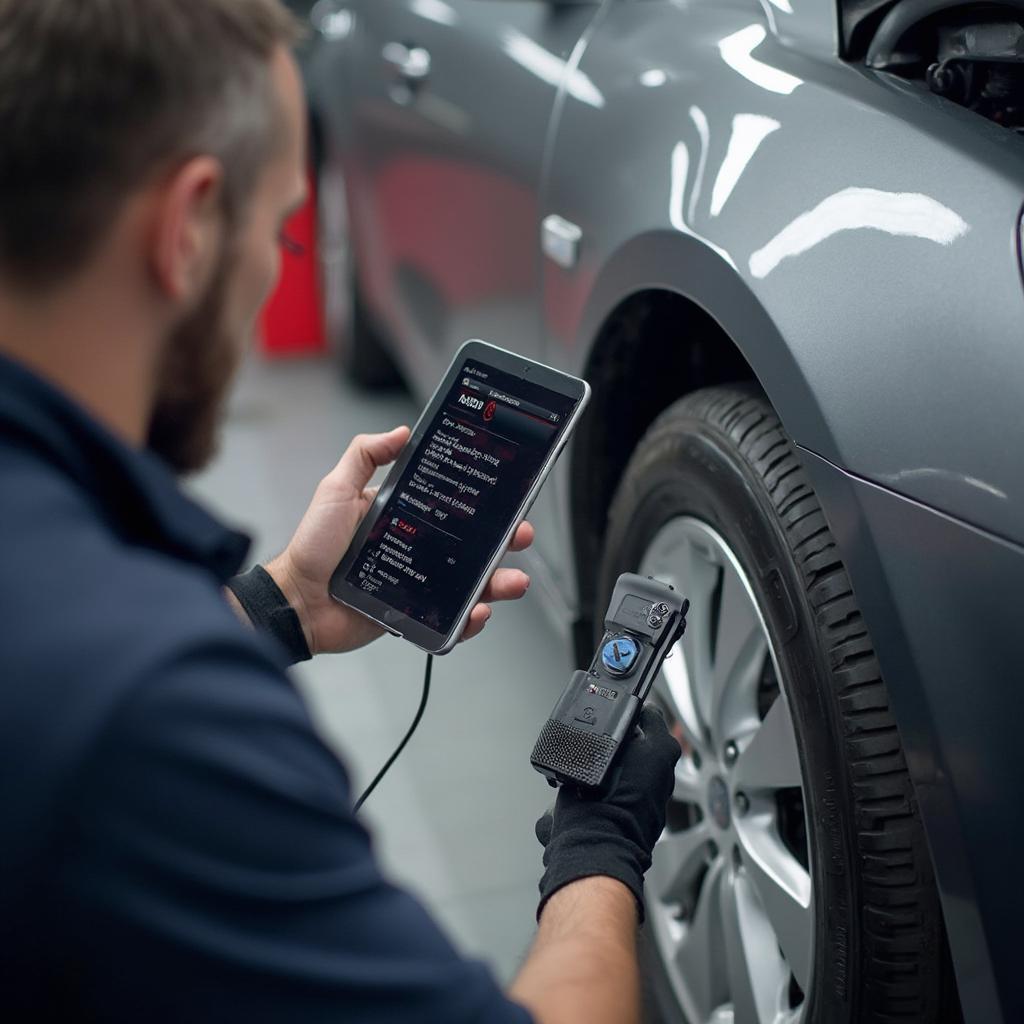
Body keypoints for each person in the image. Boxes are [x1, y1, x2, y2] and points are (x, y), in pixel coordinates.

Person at [0, 2, 681, 1021]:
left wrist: (279, 604)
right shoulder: (151, 710)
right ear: (188, 227)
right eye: (279, 227)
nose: (280, 262)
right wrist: (599, 849)